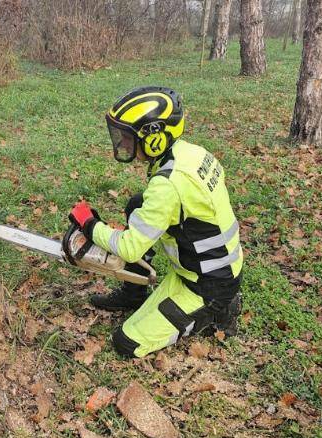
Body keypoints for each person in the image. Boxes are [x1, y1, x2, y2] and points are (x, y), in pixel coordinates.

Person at [68, 86, 243, 358]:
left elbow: (129, 250)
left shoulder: (168, 186)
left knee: (127, 343)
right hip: (207, 268)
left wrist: (90, 226)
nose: (123, 144)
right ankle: (133, 292)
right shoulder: (191, 152)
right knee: (137, 204)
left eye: (127, 137)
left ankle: (218, 311)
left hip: (208, 286)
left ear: (154, 138)